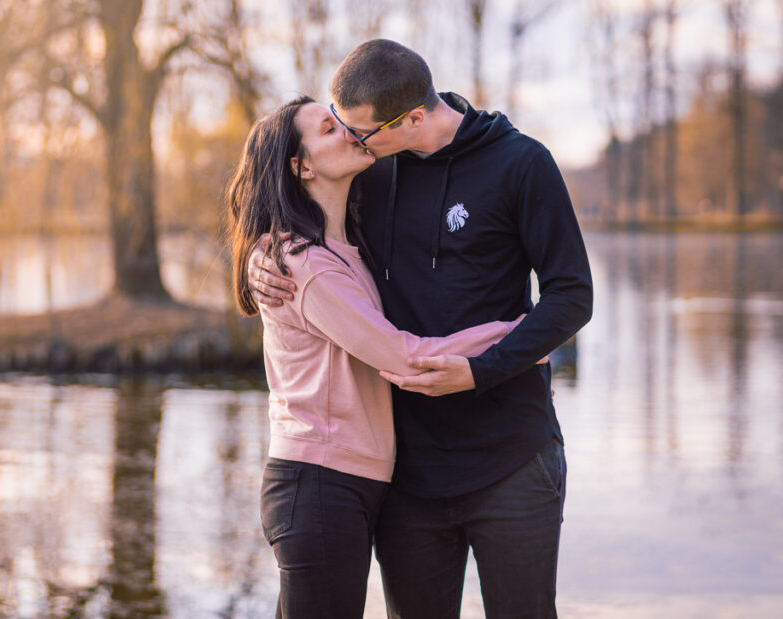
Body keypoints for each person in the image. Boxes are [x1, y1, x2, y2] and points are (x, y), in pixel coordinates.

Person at [248, 40, 593, 618]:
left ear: (411, 118)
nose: (353, 142)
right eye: (342, 130)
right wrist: (256, 268)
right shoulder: (371, 175)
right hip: (406, 476)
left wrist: (485, 369)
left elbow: (572, 296)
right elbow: (291, 215)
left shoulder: (521, 164)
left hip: (511, 456)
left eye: (360, 132)